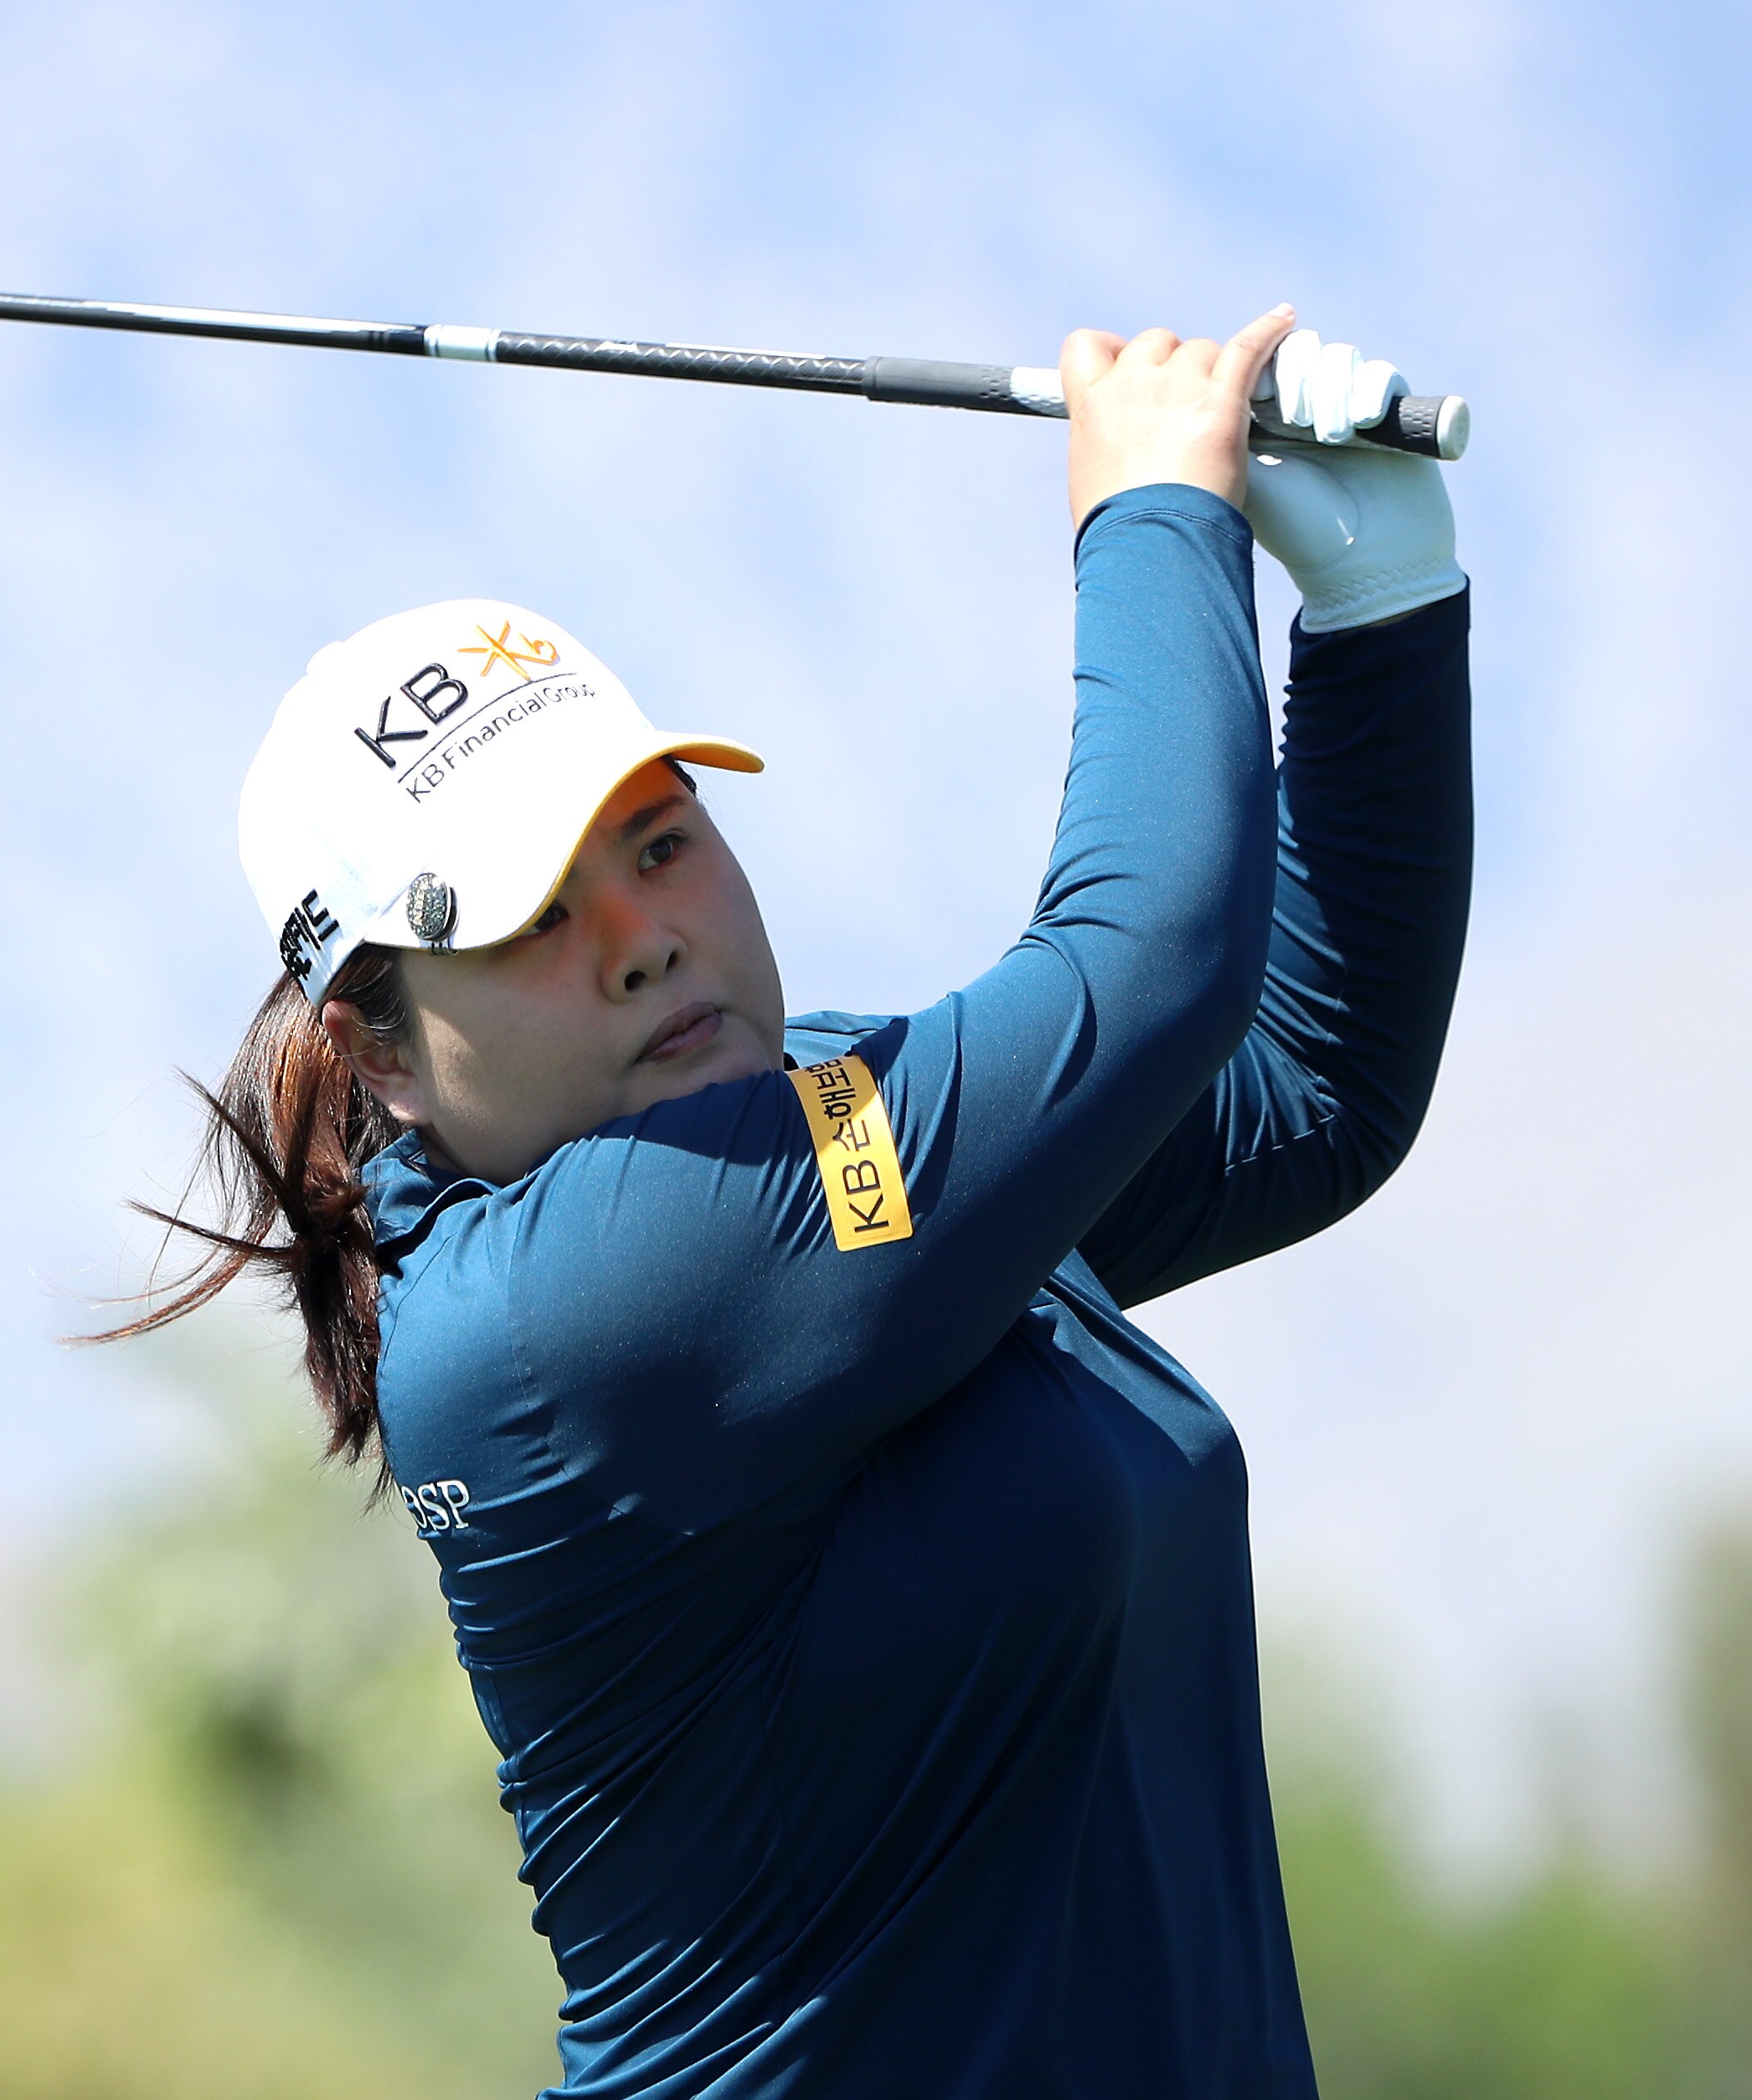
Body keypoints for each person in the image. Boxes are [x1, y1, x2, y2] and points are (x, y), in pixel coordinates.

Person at [99, 306, 1472, 2097]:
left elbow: (1301, 1098)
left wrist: (1378, 618)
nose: (640, 937)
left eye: (657, 841)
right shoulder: (561, 1316)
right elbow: (1146, 965)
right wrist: (1146, 508)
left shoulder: (828, 1135)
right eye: (522, 916)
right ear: (377, 1055)